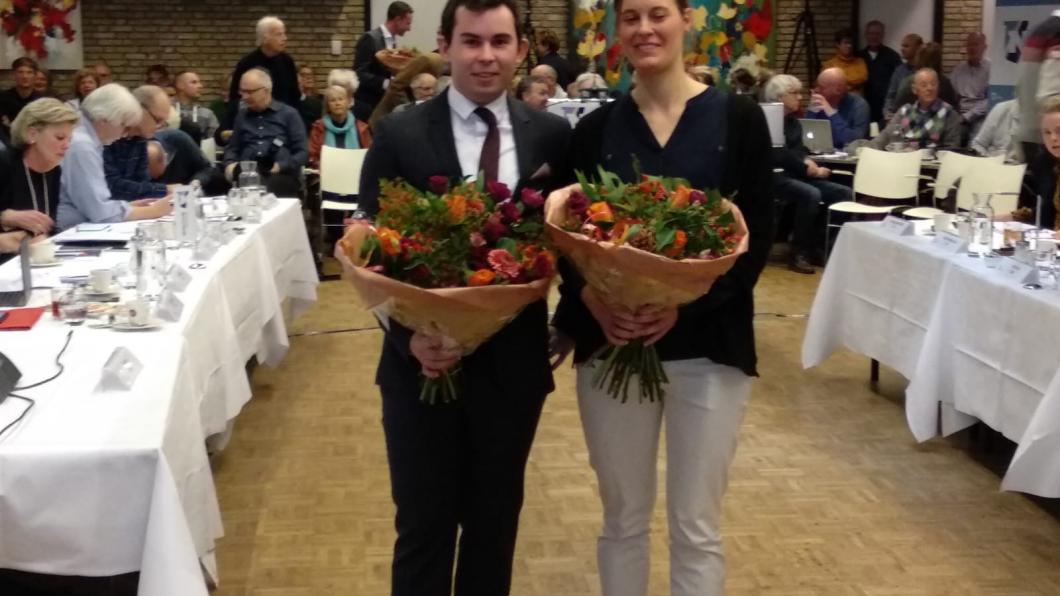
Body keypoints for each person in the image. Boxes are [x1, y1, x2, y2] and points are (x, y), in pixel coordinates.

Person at [549, 0, 772, 593]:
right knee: (622, 519)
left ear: (685, 21)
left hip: (709, 351)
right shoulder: (595, 131)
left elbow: (756, 240)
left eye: (658, 14)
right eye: (631, 18)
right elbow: (569, 243)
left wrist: (685, 303)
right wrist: (591, 304)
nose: (645, 29)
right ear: (615, 31)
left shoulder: (739, 119)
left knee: (696, 525)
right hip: (615, 345)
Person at [358, 0, 571, 594]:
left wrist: (575, 323)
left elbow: (572, 244)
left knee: (493, 526)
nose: (486, 56)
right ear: (445, 45)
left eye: (500, 42)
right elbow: (366, 250)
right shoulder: (400, 132)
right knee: (423, 528)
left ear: (521, 50)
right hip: (419, 367)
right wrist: (408, 337)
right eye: (471, 41)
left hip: (513, 369)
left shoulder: (553, 135)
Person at [764, 74, 851, 274]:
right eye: (794, 93)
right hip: (774, 176)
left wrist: (807, 161)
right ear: (779, 96)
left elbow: (798, 149)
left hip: (794, 173)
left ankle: (821, 247)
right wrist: (807, 168)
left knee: (842, 193)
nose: (800, 98)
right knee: (811, 194)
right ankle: (799, 253)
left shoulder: (793, 122)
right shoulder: (769, 119)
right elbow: (778, 153)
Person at [57, 84, 173, 230]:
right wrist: (153, 211)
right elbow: (100, 212)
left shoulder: (88, 140)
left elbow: (99, 203)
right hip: (70, 231)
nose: (125, 134)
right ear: (106, 119)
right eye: (124, 125)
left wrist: (127, 207)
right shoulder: (82, 146)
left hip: (81, 225)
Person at [0, 98, 81, 240]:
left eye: (69, 139)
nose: (67, 145)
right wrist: (5, 217)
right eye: (60, 137)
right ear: (32, 134)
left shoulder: (55, 171)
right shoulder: (5, 164)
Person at [223, 68, 307, 198]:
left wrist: (280, 166)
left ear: (266, 91)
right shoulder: (241, 116)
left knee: (265, 188)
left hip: (280, 175)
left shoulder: (289, 115)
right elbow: (233, 148)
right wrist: (230, 164)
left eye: (249, 92)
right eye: (242, 91)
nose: (244, 97)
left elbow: (302, 153)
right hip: (246, 173)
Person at [225, 16, 301, 132]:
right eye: (279, 34)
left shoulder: (287, 62)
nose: (285, 38)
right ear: (265, 38)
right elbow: (235, 97)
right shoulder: (246, 63)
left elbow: (294, 96)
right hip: (253, 123)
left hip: (282, 122)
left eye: (284, 34)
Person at [103, 85, 176, 202]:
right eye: (157, 120)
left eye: (164, 122)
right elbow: (112, 186)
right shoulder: (108, 135)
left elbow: (141, 184)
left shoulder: (140, 139)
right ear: (139, 108)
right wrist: (164, 190)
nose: (160, 127)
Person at [353, 1, 415, 122]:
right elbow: (359, 74)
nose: (409, 28)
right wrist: (385, 83)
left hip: (383, 104)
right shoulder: (370, 38)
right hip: (369, 105)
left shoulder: (393, 41)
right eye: (407, 23)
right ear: (397, 19)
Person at [872, 68, 962, 150]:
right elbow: (885, 137)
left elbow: (952, 148)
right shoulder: (904, 111)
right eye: (924, 85)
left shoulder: (949, 113)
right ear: (914, 89)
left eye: (933, 84)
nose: (929, 88)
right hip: (905, 161)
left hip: (933, 165)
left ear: (938, 87)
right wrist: (868, 149)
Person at [1014, 11, 1060, 164]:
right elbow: (1052, 98)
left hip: (1031, 135)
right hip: (1048, 140)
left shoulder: (1041, 30)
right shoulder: (1056, 31)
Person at [1012, 96, 1060, 230]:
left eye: (1059, 131)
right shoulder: (1045, 163)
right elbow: (1043, 213)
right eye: (1047, 132)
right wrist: (989, 218)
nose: (1053, 138)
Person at [367, 52, 446, 129]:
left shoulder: (441, 65)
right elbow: (397, 85)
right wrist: (411, 109)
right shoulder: (428, 60)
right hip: (389, 117)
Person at [308, 84, 372, 169]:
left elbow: (370, 155)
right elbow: (312, 156)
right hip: (327, 174)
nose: (337, 103)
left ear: (348, 103)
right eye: (332, 100)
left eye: (341, 99)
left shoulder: (361, 128)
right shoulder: (319, 128)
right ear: (328, 105)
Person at [806, 67, 870, 149]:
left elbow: (853, 140)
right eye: (816, 86)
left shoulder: (859, 105)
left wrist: (832, 114)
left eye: (822, 87)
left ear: (838, 90)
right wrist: (811, 111)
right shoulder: (818, 102)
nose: (817, 90)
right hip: (820, 154)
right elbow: (807, 137)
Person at [857, 20, 902, 126]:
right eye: (871, 33)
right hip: (863, 108)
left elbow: (899, 84)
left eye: (877, 34)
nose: (874, 37)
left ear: (883, 35)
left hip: (885, 110)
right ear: (866, 35)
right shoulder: (858, 57)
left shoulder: (893, 56)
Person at [893, 42, 960, 112]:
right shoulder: (945, 83)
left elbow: (897, 109)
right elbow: (954, 110)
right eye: (923, 85)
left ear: (918, 59)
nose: (929, 88)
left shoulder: (908, 82)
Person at [951, 32, 990, 140]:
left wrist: (967, 116)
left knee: (976, 140)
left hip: (981, 116)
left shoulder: (991, 69)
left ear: (985, 47)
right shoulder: (958, 70)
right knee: (951, 138)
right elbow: (953, 97)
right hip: (960, 114)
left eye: (976, 44)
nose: (972, 48)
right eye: (969, 45)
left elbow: (989, 100)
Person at [884, 33, 924, 120]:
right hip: (898, 118)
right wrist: (888, 113)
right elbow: (890, 96)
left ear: (917, 48)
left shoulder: (925, 72)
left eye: (906, 46)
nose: (902, 49)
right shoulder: (899, 70)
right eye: (902, 46)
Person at [173, 71, 220, 143]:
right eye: (194, 82)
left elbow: (216, 142)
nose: (200, 86)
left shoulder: (207, 114)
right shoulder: (165, 111)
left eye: (199, 82)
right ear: (180, 85)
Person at [0, 57, 42, 132]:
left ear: (35, 76)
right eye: (20, 72)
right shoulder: (2, 98)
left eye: (29, 72)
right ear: (14, 75)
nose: (24, 76)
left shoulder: (42, 101)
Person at [822, 28, 868, 94]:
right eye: (846, 43)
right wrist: (852, 85)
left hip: (855, 101)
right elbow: (826, 84)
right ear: (838, 45)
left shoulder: (860, 62)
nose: (849, 46)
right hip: (837, 100)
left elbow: (863, 77)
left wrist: (840, 81)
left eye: (851, 43)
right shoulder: (830, 65)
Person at [297, 65, 323, 132]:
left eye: (311, 74)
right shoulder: (296, 102)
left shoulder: (321, 99)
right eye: (303, 75)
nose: (309, 77)